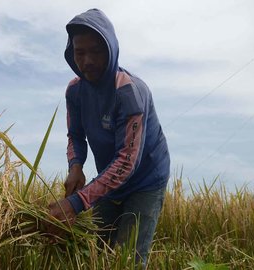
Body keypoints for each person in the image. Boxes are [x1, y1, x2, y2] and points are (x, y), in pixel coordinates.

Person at [47, 8, 170, 265]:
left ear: (111, 50)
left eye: (96, 51)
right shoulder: (75, 91)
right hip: (110, 179)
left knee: (127, 259)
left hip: (145, 181)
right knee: (97, 252)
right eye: (80, 53)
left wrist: (76, 203)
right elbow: (76, 135)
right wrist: (76, 166)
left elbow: (127, 162)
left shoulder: (129, 93)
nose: (87, 61)